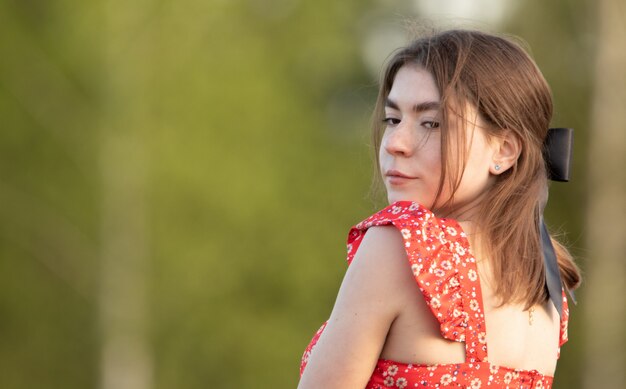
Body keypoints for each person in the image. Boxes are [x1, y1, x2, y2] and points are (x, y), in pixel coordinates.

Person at [297, 29, 581, 389]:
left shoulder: (400, 247)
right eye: (393, 119)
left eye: (431, 123)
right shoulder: (544, 279)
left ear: (505, 151)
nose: (396, 143)